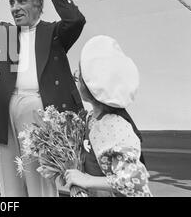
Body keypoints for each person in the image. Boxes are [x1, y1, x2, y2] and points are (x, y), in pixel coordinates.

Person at [0, 0, 86, 196]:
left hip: (39, 110)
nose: (15, 7)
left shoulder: (53, 34)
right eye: (11, 3)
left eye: (21, 1)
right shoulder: (6, 35)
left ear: (38, 5)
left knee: (39, 175)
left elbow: (76, 20)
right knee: (9, 175)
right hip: (5, 110)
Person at [64, 35, 152, 197]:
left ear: (90, 86)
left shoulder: (114, 126)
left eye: (79, 76)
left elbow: (135, 180)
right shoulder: (93, 118)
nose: (76, 79)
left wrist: (87, 180)